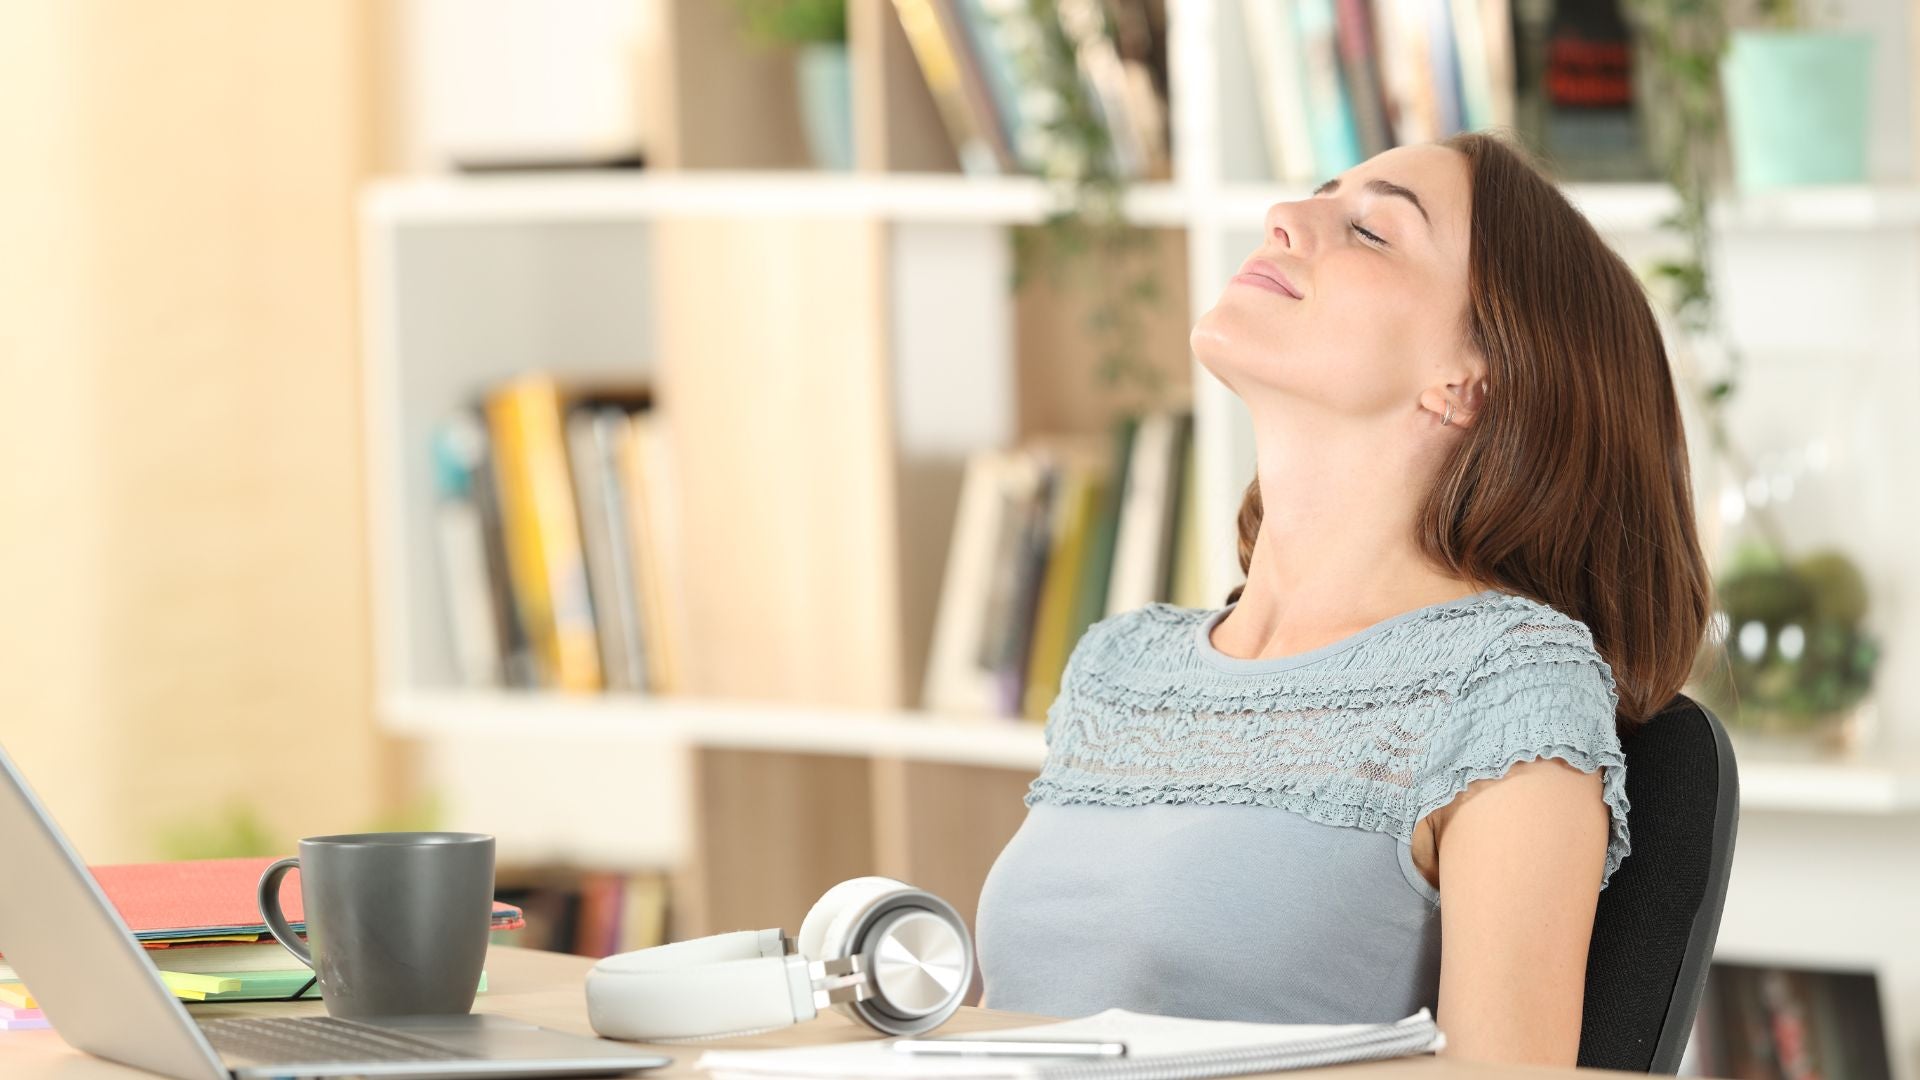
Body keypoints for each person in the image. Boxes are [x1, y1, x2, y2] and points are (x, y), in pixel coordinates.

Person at [973, 131, 1714, 1067]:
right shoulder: (1119, 668)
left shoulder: (1509, 680)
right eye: (1315, 197)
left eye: (1371, 231)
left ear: (1469, 379)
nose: (1285, 219)